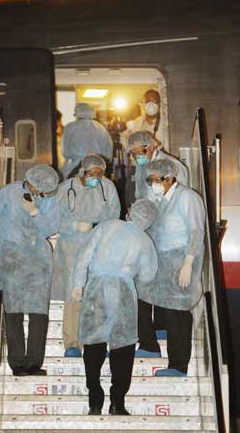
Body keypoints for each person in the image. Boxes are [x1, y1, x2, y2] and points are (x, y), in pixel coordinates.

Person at [71, 199, 158, 415]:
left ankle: (94, 400)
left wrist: (78, 284)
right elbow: (148, 275)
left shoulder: (107, 225)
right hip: (124, 293)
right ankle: (117, 403)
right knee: (123, 347)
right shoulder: (145, 241)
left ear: (130, 212)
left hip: (96, 289)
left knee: (93, 342)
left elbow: (83, 255)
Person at [0, 165, 60, 377]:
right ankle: (17, 363)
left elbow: (50, 227)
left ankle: (34, 363)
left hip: (38, 259)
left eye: (46, 193)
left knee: (39, 314)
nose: (43, 196)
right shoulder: (9, 192)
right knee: (13, 312)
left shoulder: (50, 197)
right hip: (11, 258)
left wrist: (35, 212)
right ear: (31, 183)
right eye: (40, 191)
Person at [137, 159, 205, 376]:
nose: (153, 184)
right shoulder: (161, 199)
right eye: (151, 180)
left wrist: (189, 261)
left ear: (170, 178)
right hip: (162, 262)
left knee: (178, 312)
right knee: (142, 298)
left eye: (156, 180)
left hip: (180, 262)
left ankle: (178, 365)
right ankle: (149, 345)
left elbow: (197, 232)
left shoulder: (187, 197)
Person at [52, 154, 120, 357]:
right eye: (92, 173)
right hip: (72, 247)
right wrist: (75, 225)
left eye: (100, 174)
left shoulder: (106, 187)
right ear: (82, 171)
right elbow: (53, 218)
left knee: (98, 295)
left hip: (98, 245)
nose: (96, 177)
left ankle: (97, 342)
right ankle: (72, 343)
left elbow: (114, 213)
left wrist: (101, 231)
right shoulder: (65, 189)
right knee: (75, 294)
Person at [126, 130, 189, 206]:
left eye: (140, 152)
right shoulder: (141, 166)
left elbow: (181, 197)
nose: (137, 157)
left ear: (151, 146)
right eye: (134, 154)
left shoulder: (172, 165)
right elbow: (139, 193)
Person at [61, 103, 113, 179]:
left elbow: (65, 151)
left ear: (76, 113)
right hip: (96, 168)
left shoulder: (69, 127)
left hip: (73, 168)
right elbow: (108, 152)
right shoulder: (100, 128)